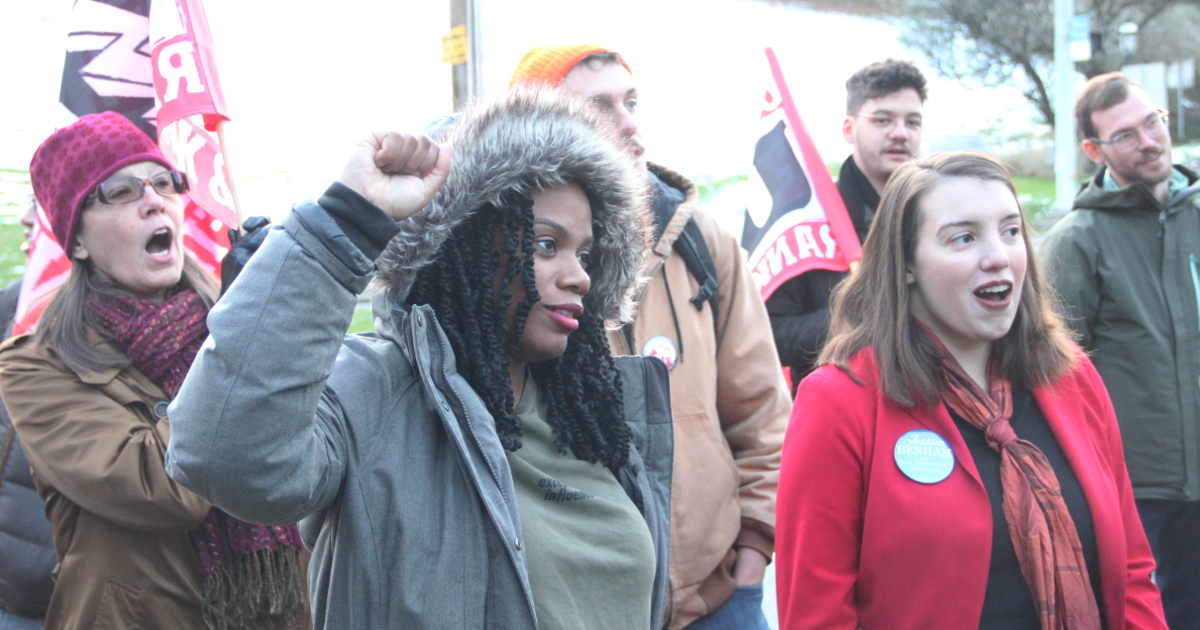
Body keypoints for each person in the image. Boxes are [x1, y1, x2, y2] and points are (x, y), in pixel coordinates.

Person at [166, 89, 673, 629]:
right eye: (546, 245)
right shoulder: (372, 392)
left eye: (586, 253)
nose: (579, 276)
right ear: (462, 244)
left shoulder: (599, 417)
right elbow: (226, 457)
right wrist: (342, 222)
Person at [776, 151, 1168, 629]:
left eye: (1010, 230)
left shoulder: (1073, 378)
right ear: (905, 265)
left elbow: (1132, 573)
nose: (998, 256)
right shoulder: (840, 402)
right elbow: (816, 613)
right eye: (963, 238)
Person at [511, 45, 791, 629]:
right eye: (599, 106)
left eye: (631, 101)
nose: (629, 121)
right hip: (585, 605)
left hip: (717, 595)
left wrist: (757, 541)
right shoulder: (512, 271)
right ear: (543, 128)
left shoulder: (703, 242)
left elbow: (761, 407)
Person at [0, 112, 310, 630]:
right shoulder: (33, 366)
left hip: (279, 612)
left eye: (164, 182)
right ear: (76, 241)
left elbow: (312, 451)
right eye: (120, 191)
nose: (155, 200)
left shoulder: (233, 311)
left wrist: (286, 309)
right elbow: (170, 491)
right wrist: (235, 342)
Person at [1041, 72, 1200, 629]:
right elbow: (1055, 375)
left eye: (1152, 123)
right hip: (1139, 487)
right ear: (1095, 150)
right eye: (1126, 135)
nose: (1150, 141)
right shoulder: (1075, 242)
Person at [766, 59, 926, 389]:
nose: (900, 133)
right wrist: (857, 313)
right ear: (849, 129)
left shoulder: (935, 217)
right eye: (883, 120)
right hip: (837, 410)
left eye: (913, 122)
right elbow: (771, 337)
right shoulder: (806, 226)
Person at [0, 197, 55, 629]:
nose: (23, 217)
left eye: (40, 199)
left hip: (60, 601)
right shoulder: (14, 306)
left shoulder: (176, 330)